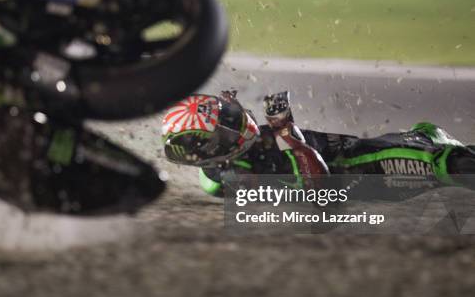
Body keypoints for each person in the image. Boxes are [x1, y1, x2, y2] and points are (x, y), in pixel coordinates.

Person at [162, 91, 475, 198]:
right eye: (222, 131)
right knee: (448, 164)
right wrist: (289, 135)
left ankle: (431, 141)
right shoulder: (235, 178)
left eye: (227, 114)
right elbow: (323, 193)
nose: (235, 123)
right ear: (209, 153)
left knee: (451, 156)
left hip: (360, 149)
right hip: (364, 171)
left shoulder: (229, 159)